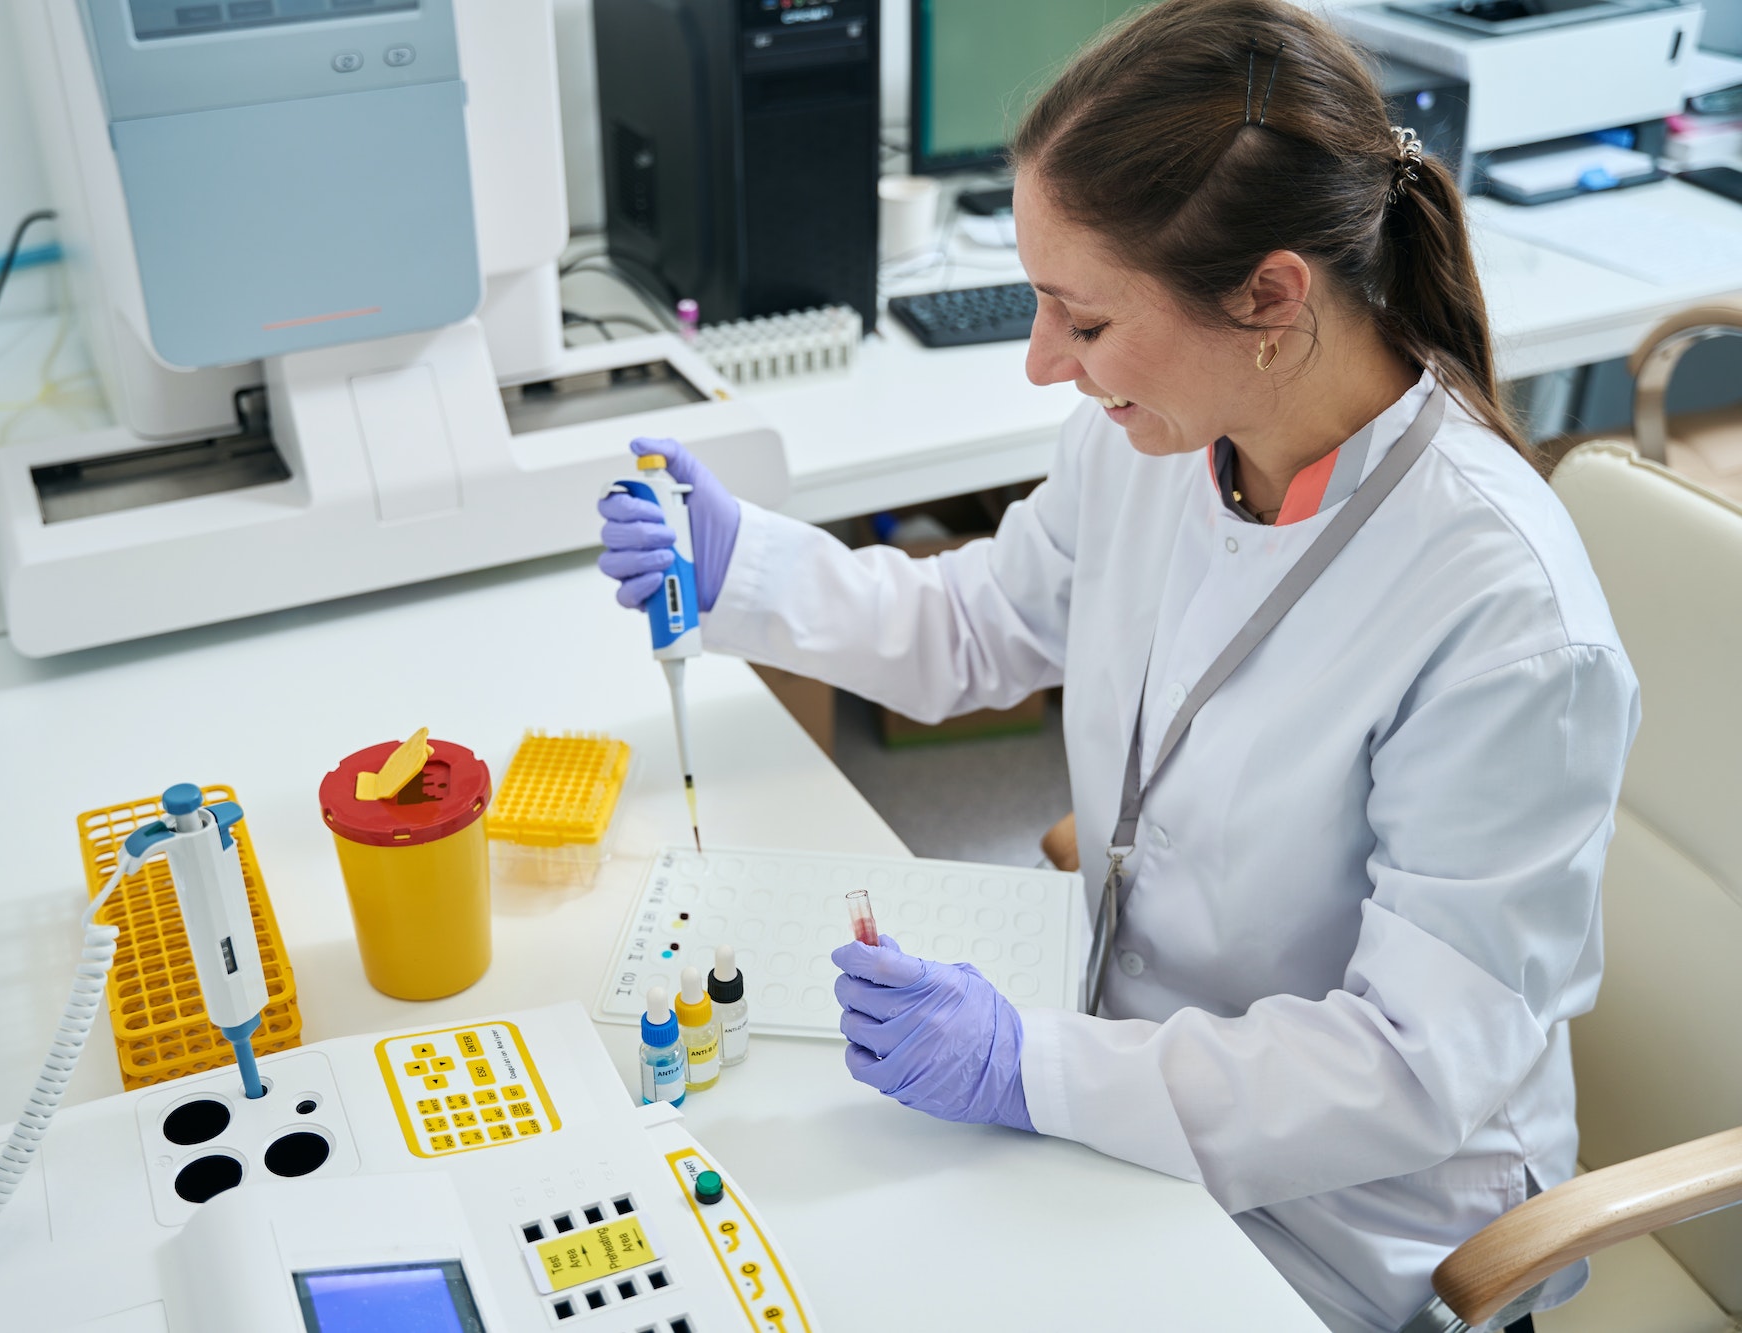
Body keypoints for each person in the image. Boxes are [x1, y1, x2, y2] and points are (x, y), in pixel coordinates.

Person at [595, 0, 1639, 1327]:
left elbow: (1409, 1068)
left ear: (1270, 297)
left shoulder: (1504, 617)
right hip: (1118, 1074)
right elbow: (982, 625)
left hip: (1353, 1222)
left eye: (1080, 320)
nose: (1043, 363)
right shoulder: (1159, 437)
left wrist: (1026, 1065)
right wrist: (747, 561)